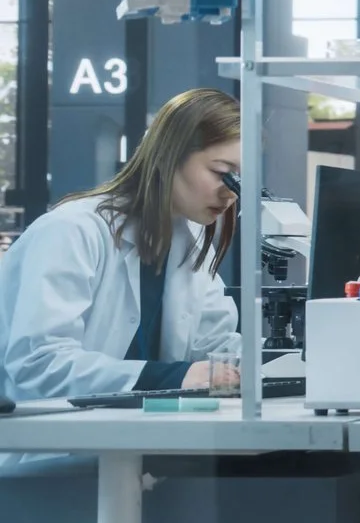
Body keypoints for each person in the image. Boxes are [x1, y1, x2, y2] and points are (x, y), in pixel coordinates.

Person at [0, 88, 245, 402]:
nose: (231, 192)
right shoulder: (72, 231)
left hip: (145, 438)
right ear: (169, 157)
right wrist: (170, 377)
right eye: (222, 173)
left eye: (239, 179)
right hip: (57, 444)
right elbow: (39, 363)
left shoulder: (191, 240)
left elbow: (214, 348)